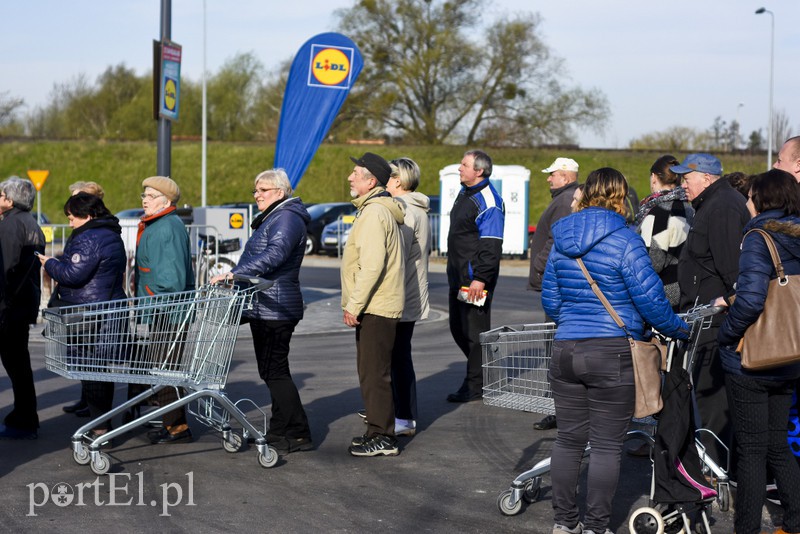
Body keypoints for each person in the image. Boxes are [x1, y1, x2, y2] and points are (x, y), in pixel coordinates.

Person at [542, 167, 689, 534]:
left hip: (565, 349)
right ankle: (595, 526)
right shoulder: (625, 241)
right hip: (612, 352)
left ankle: (564, 523)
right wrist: (678, 329)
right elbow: (651, 300)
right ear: (621, 197)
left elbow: (551, 301)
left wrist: (576, 321)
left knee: (568, 439)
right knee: (607, 446)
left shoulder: (561, 239)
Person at [717, 169, 800, 534]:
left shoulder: (758, 237)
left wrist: (727, 333)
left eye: (751, 197)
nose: (747, 203)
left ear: (762, 200)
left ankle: (746, 528)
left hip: (753, 358)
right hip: (790, 353)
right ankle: (796, 519)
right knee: (778, 444)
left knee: (751, 450)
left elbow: (752, 299)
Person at [211, 169, 314, 455]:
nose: (257, 195)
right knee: (272, 371)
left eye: (263, 190)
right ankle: (282, 429)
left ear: (279, 193)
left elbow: (275, 254)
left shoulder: (286, 217)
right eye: (255, 190)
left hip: (275, 307)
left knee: (275, 372)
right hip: (266, 304)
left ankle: (298, 432)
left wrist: (234, 273)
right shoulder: (277, 216)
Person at [672, 153, 751, 475]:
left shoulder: (722, 208)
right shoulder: (714, 204)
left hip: (715, 320)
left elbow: (733, 269)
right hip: (705, 314)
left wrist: (727, 302)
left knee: (713, 397)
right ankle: (710, 462)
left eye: (686, 178)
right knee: (705, 393)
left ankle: (716, 467)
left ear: (705, 177)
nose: (682, 184)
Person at [37, 193, 127, 439]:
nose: (70, 223)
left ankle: (99, 429)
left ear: (87, 216)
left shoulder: (89, 237)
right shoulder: (110, 232)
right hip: (104, 308)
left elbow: (73, 274)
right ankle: (100, 425)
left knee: (92, 370)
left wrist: (50, 264)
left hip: (89, 313)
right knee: (98, 370)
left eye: (72, 217)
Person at [341, 152, 405, 456]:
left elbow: (371, 265)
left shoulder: (374, 213)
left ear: (371, 181)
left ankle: (383, 437)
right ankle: (376, 431)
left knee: (374, 373)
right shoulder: (376, 210)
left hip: (375, 307)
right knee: (372, 372)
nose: (350, 178)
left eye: (356, 173)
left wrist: (354, 305)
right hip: (377, 305)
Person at [134, 176, 195, 444]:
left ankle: (178, 428)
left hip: (167, 312)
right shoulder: (160, 225)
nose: (144, 199)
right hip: (163, 311)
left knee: (166, 369)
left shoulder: (165, 228)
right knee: (163, 369)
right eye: (144, 194)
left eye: (150, 195)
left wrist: (148, 298)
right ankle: (171, 423)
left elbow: (170, 281)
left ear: (166, 201)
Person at [446, 150, 504, 403]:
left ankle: (476, 386)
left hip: (474, 280)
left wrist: (480, 278)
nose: (459, 168)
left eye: (464, 164)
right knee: (458, 329)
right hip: (456, 276)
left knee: (473, 332)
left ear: (478, 171)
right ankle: (483, 373)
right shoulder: (465, 193)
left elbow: (491, 244)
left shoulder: (489, 200)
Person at [528, 156, 580, 430]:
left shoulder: (564, 201)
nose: (548, 178)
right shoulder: (565, 197)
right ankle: (563, 407)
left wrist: (538, 269)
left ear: (565, 176)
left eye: (552, 174)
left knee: (557, 348)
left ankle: (561, 410)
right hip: (557, 282)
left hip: (555, 283)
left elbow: (554, 241)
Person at [385, 157, 430, 437]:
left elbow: (394, 255)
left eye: (388, 177)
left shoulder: (404, 210)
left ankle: (403, 415)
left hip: (401, 293)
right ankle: (395, 409)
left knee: (398, 356)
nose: (383, 181)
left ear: (399, 181)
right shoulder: (417, 208)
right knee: (398, 355)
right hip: (409, 290)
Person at [0, 177, 45, 440]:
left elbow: (4, 269)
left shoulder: (11, 225)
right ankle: (24, 417)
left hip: (9, 306)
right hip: (22, 303)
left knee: (17, 365)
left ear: (9, 199)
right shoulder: (29, 222)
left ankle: (24, 419)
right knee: (19, 365)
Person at [61, 180, 107, 418]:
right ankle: (87, 401)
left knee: (94, 359)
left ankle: (99, 417)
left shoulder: (94, 233)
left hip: (91, 303)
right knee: (85, 357)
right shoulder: (90, 231)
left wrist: (53, 265)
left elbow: (76, 270)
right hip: (86, 301)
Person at [634, 155, 694, 311]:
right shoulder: (690, 209)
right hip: (687, 291)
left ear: (654, 178)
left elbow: (651, 263)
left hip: (662, 296)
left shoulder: (657, 214)